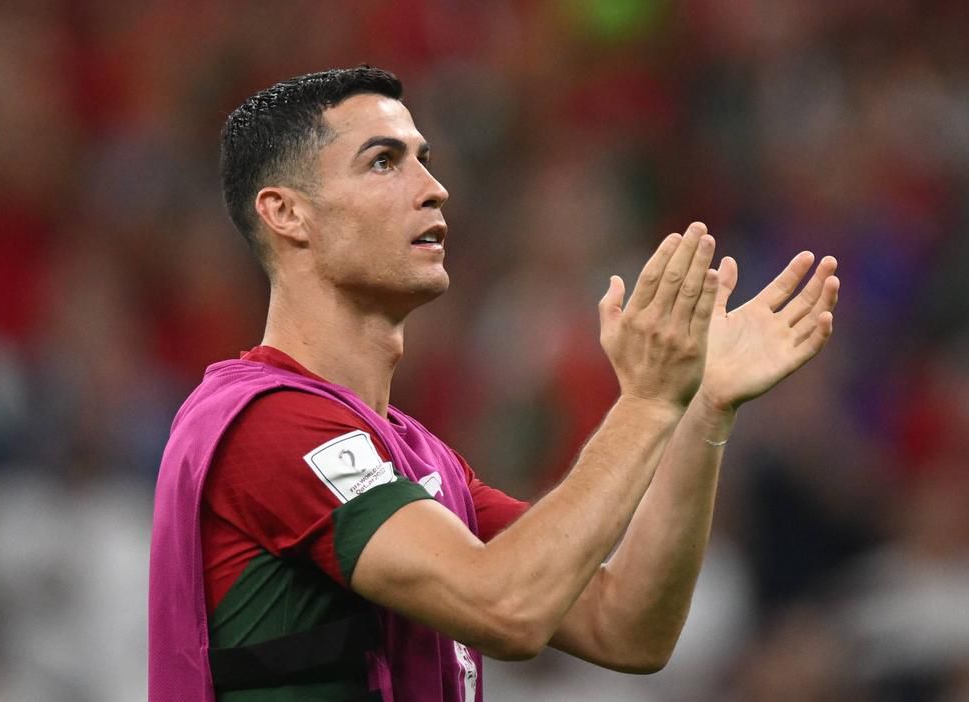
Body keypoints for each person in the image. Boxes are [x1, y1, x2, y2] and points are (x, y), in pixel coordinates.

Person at [148, 66, 840, 702]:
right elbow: (506, 608)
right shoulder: (264, 425)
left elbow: (626, 628)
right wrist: (650, 399)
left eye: (426, 159)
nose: (433, 186)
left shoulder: (424, 465)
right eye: (384, 161)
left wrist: (700, 409)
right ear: (286, 213)